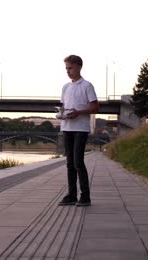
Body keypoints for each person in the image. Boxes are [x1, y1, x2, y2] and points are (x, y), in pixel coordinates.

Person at [58, 55, 99, 206]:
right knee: (69, 163)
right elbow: (62, 106)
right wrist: (61, 114)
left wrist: (78, 112)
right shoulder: (65, 87)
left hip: (80, 129)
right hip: (67, 128)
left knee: (78, 162)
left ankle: (85, 196)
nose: (68, 71)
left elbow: (95, 107)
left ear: (79, 67)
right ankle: (71, 195)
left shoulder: (87, 86)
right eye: (66, 68)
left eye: (70, 68)